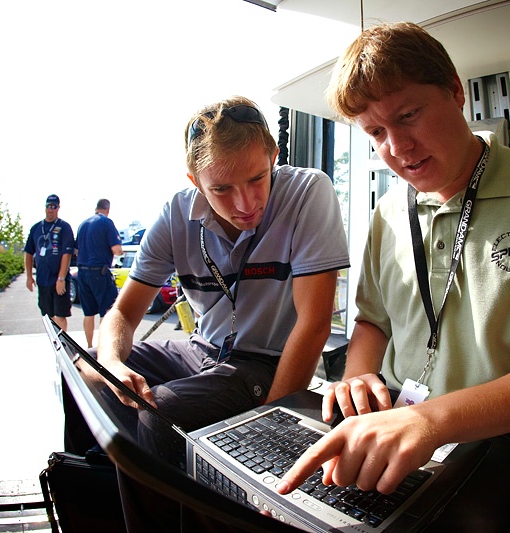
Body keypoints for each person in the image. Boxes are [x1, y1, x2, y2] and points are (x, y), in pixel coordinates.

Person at [276, 22, 510, 531]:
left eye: (408, 115)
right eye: (375, 133)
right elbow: (373, 322)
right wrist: (358, 377)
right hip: (393, 410)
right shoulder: (389, 212)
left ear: (455, 91)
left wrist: (429, 421)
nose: (397, 146)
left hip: (498, 431)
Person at [78, 96, 349, 530]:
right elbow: (123, 314)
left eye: (257, 178)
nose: (245, 203)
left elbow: (313, 323)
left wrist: (268, 432)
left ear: (274, 156)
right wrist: (110, 362)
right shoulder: (176, 213)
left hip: (264, 362)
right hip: (202, 350)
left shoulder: (307, 192)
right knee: (87, 367)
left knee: (159, 417)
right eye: (221, 189)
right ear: (195, 182)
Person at [74, 198, 123, 347]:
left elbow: (76, 251)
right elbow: (117, 249)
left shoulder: (83, 224)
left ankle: (89, 346)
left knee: (88, 313)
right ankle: (104, 347)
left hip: (82, 272)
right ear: (108, 209)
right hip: (99, 272)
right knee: (107, 312)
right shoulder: (106, 222)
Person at [24, 194, 75, 331]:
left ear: (58, 208)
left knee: (61, 315)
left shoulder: (64, 227)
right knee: (48, 316)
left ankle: (63, 341)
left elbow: (66, 254)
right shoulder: (36, 228)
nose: (51, 209)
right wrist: (29, 276)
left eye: (54, 207)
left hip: (58, 279)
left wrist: (61, 278)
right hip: (43, 279)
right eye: (48, 206)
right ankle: (54, 340)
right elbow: (28, 253)